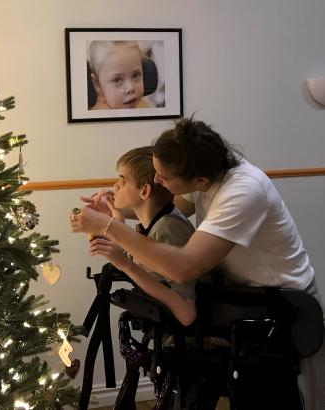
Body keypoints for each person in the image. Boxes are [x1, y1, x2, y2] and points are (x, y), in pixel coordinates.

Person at [70, 117, 324, 410]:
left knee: (294, 397)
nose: (156, 181)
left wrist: (110, 228)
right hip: (236, 295)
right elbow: (168, 211)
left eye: (163, 177)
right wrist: (126, 213)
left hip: (283, 305)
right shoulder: (204, 167)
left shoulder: (242, 192)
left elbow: (183, 266)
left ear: (200, 181)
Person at [87, 146, 197, 326]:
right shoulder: (159, 218)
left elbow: (186, 314)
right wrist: (116, 217)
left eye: (123, 180)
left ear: (144, 191)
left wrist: (124, 264)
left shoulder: (168, 230)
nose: (115, 186)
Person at [87, 41, 149, 110]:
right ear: (97, 84)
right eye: (117, 80)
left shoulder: (142, 105)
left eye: (135, 75)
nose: (130, 87)